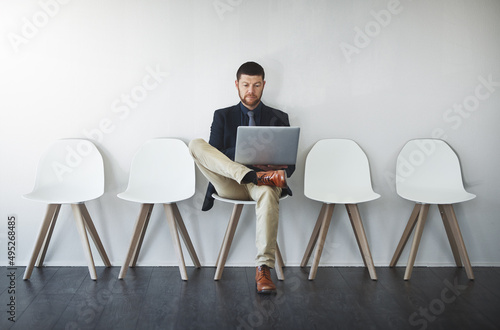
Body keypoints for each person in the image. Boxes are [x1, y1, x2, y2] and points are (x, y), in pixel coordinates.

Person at [189, 61, 295, 294]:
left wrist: (270, 163)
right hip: (231, 182)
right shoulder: (222, 116)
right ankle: (244, 172)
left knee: (268, 189)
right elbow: (213, 154)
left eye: (256, 85)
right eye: (246, 84)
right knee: (196, 145)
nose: (251, 90)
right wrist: (245, 157)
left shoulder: (279, 117)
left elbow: (291, 166)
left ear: (264, 85)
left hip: (264, 181)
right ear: (237, 84)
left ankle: (264, 270)